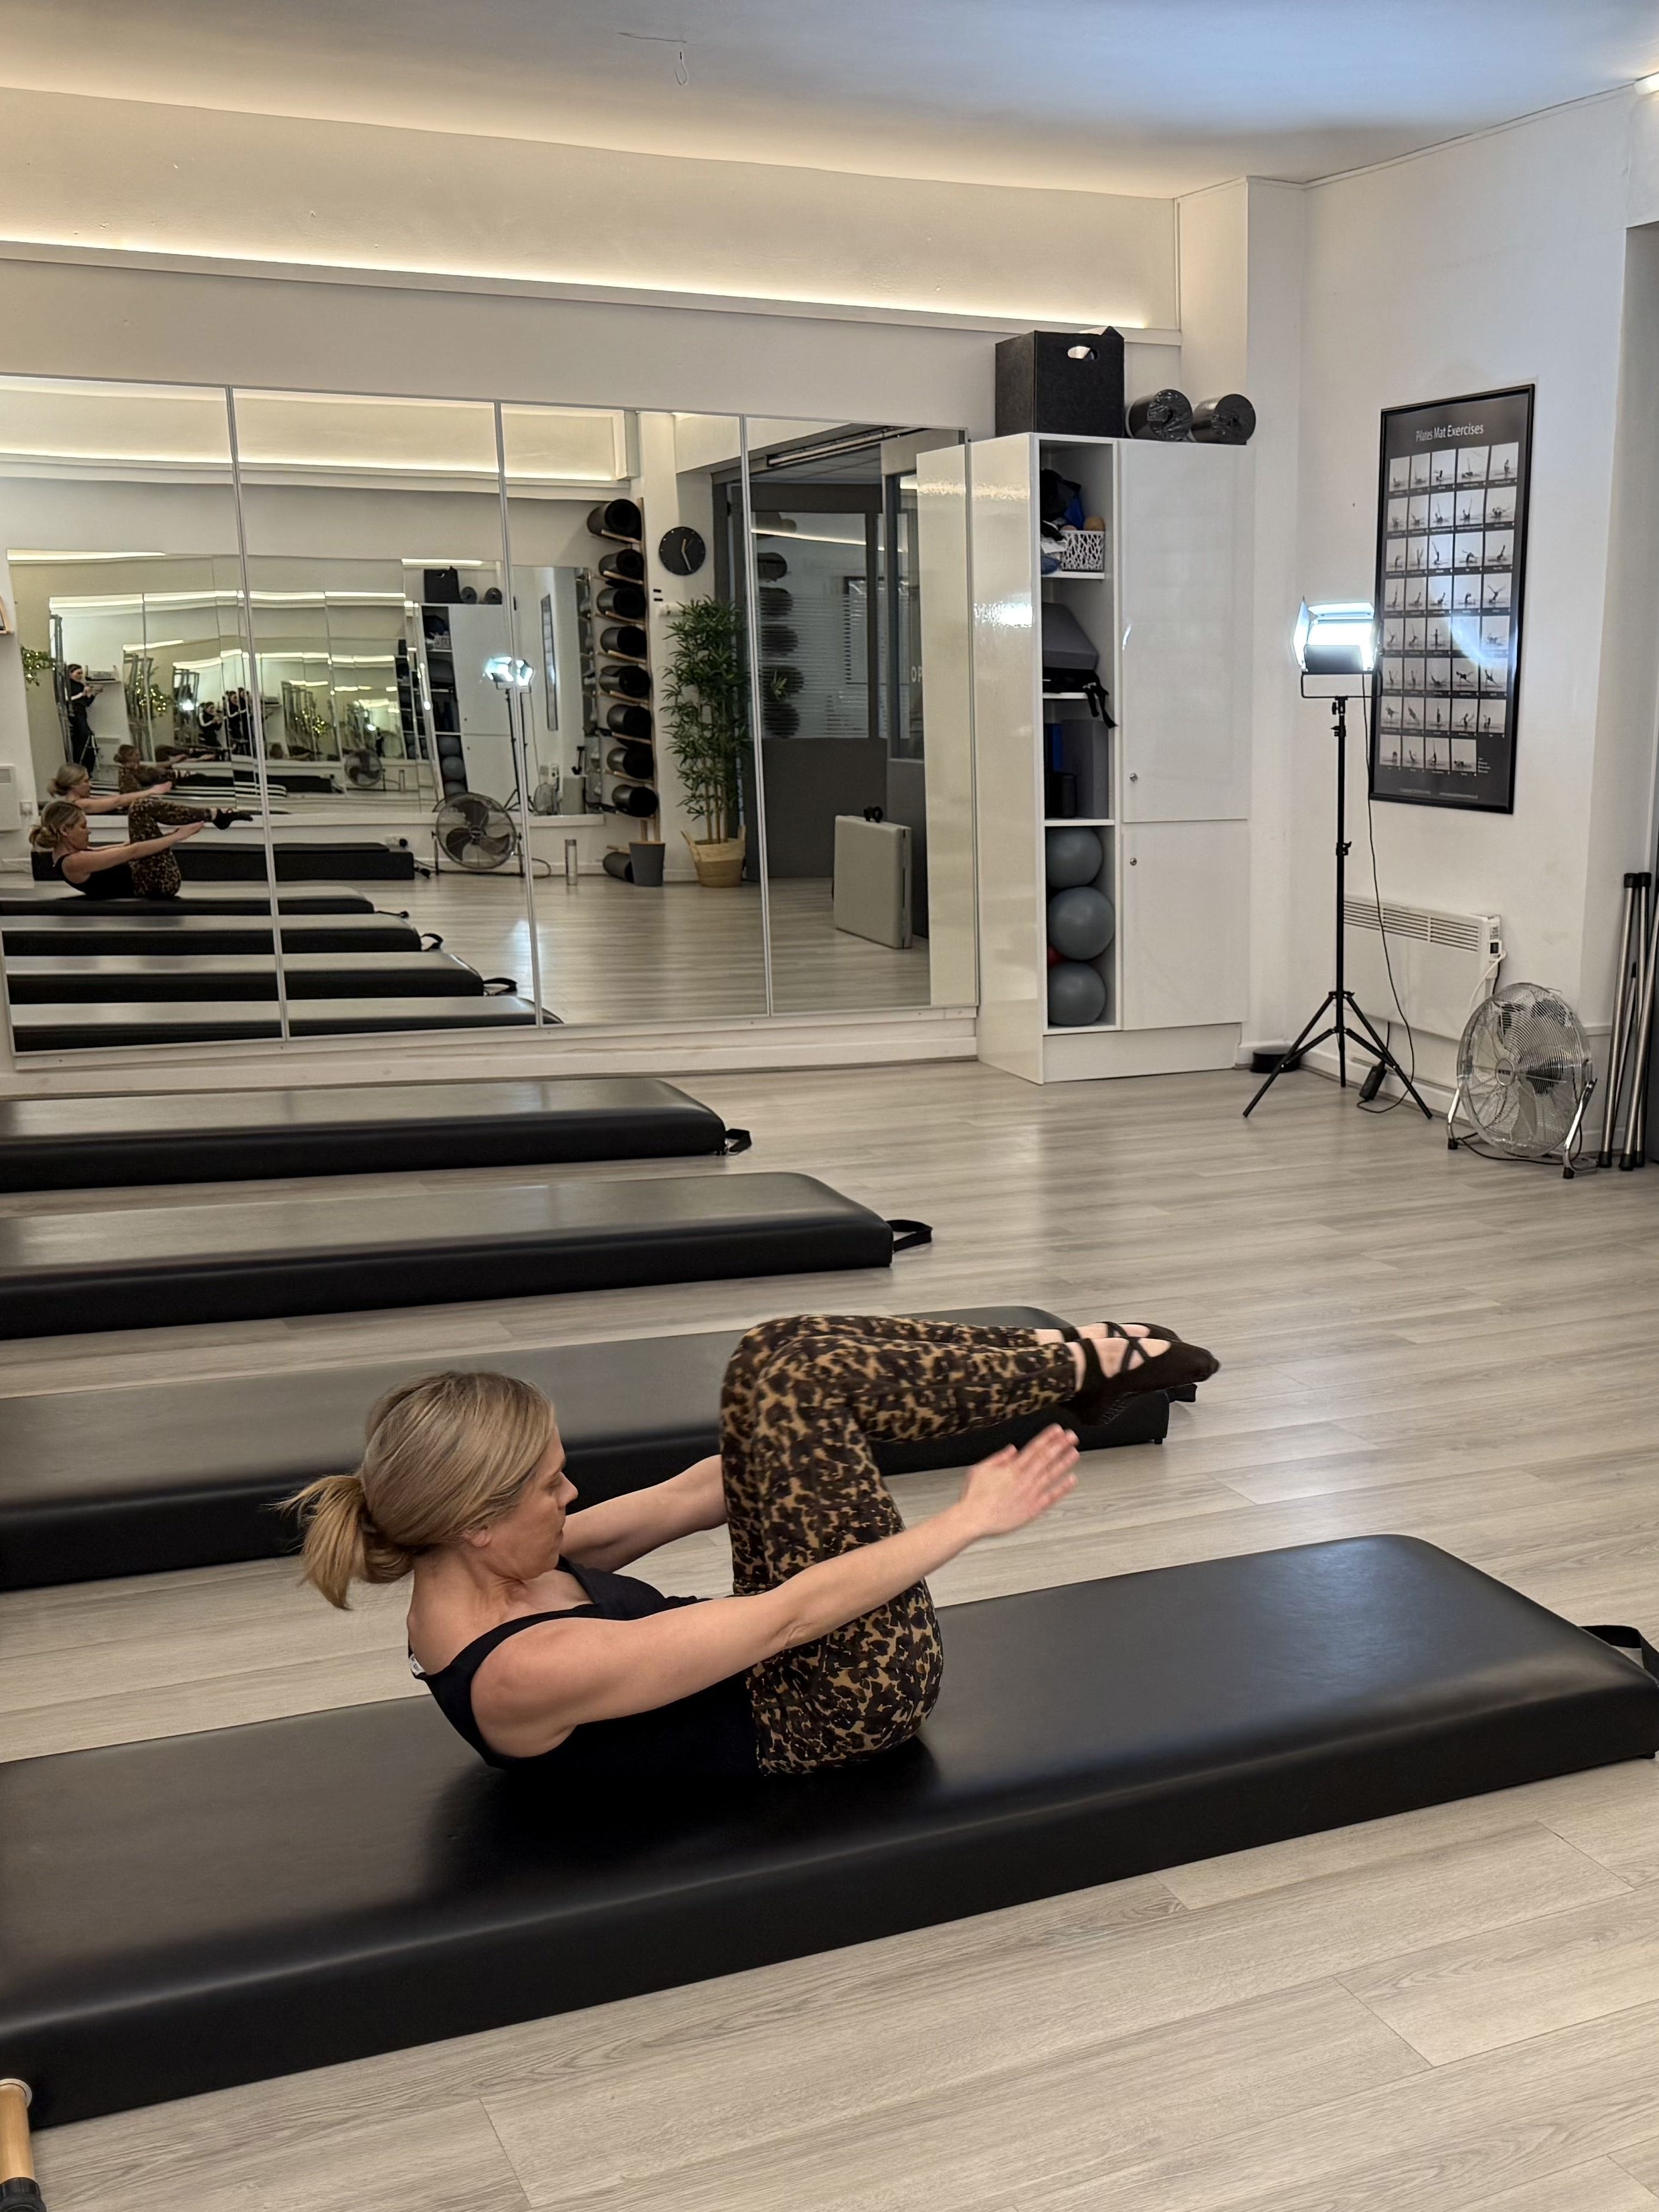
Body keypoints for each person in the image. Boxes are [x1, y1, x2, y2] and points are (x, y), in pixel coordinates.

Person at [292, 1314, 1218, 1779]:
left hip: (788, 1654)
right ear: (477, 1521)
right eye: (549, 1483)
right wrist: (967, 1519)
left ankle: (1071, 1363)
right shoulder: (515, 1674)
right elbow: (787, 1616)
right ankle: (1080, 1363)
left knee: (775, 1362)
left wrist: (801, 1434)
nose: (571, 1495)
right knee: (795, 1383)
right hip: (839, 1701)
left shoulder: (483, 1564)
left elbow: (693, 1494)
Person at [30, 794, 234, 899]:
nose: (89, 831)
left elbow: (123, 847)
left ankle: (215, 815)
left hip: (148, 876)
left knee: (140, 808)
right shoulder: (74, 863)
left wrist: (167, 835)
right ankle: (215, 815)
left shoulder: (72, 856)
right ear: (65, 831)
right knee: (139, 808)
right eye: (83, 827)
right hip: (156, 884)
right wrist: (177, 837)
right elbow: (132, 852)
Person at [48, 761, 173, 812]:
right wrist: (152, 791)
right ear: (74, 785)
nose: (90, 784)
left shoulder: (77, 802)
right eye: (86, 781)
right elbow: (117, 801)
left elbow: (112, 798)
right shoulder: (79, 805)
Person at [62, 665, 98, 773]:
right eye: (78, 673)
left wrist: (93, 694)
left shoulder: (80, 685)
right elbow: (66, 699)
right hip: (74, 716)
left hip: (82, 715)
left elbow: (86, 703)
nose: (80, 676)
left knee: (86, 741)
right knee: (81, 742)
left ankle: (87, 768)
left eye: (81, 673)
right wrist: (82, 694)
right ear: (70, 673)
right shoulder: (66, 685)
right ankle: (80, 768)